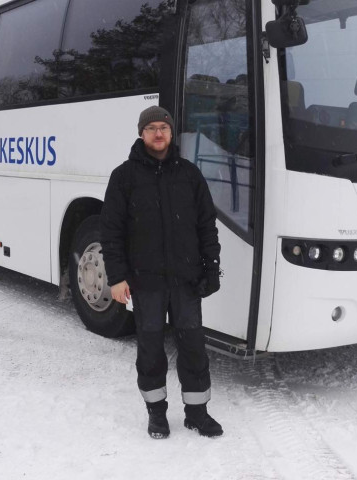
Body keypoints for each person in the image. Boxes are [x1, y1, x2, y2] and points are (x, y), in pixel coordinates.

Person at [100, 106, 222, 439]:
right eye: (151, 128)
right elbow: (111, 232)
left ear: (171, 133)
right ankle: (156, 414)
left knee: (193, 346)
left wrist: (211, 268)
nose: (158, 134)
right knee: (151, 349)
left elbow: (206, 226)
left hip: (186, 281)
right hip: (146, 281)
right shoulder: (123, 177)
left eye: (163, 128)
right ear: (141, 133)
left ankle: (197, 413)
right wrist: (116, 277)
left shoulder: (189, 174)